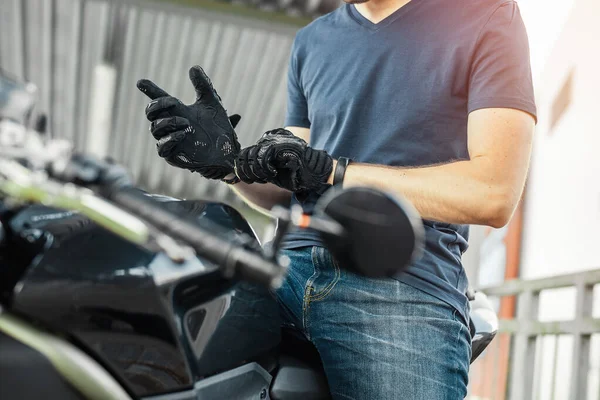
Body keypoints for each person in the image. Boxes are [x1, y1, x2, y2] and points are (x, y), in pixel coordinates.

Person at [137, 0, 536, 397]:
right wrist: (227, 166)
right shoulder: (313, 40)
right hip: (282, 271)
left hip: (401, 287)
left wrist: (336, 173)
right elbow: (295, 183)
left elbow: (493, 193)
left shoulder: (487, 15)